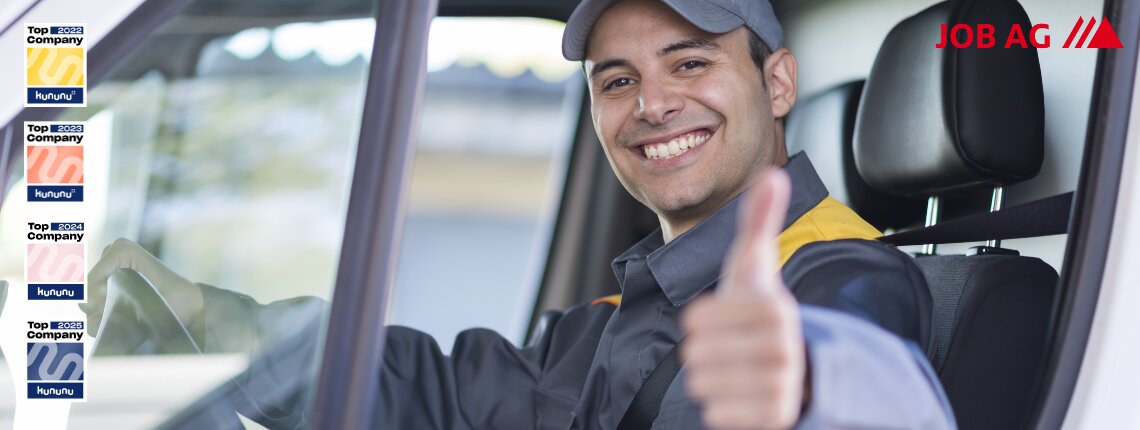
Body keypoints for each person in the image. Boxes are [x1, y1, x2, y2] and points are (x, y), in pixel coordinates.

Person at [83, 0, 956, 428]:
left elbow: (863, 366)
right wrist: (213, 319)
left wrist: (807, 384)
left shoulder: (839, 274)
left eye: (689, 64)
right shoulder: (626, 314)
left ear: (777, 83)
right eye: (617, 81)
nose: (651, 104)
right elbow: (435, 395)